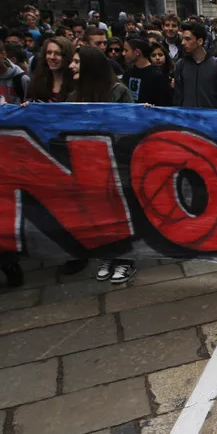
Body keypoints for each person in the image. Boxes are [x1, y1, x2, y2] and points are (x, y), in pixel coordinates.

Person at [67, 46, 136, 284]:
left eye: (77, 62)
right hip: (88, 166)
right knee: (97, 213)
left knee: (119, 212)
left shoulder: (118, 92)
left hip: (116, 164)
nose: (71, 66)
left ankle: (125, 258)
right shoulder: (73, 98)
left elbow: (131, 126)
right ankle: (106, 255)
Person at [174, 22, 217, 109]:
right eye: (182, 39)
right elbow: (178, 98)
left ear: (200, 41)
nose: (183, 42)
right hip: (187, 116)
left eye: (188, 39)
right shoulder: (181, 65)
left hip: (211, 116)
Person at [123, 37, 171, 106]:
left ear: (137, 52)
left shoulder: (158, 76)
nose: (123, 53)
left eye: (126, 50)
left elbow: (164, 104)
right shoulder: (128, 73)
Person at [27, 36, 74, 103]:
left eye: (57, 53)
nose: (52, 57)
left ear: (67, 56)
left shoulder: (76, 84)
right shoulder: (37, 80)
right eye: (49, 52)